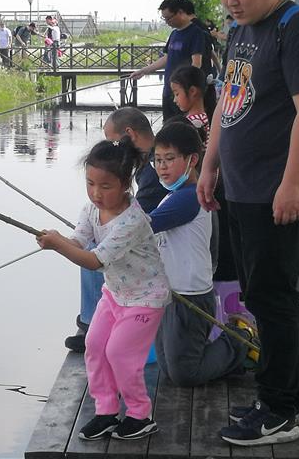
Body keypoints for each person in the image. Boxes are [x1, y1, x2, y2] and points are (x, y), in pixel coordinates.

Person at [197, 0, 299, 447]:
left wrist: (291, 183)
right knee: (262, 295)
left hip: (277, 188)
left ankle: (278, 411)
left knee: (271, 296)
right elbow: (227, 105)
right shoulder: (239, 32)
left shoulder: (298, 28)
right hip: (241, 186)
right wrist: (208, 167)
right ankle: (290, 399)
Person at [36, 137, 170, 441]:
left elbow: (95, 261)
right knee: (95, 346)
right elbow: (79, 243)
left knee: (119, 353)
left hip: (145, 299)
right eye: (90, 183)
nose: (96, 193)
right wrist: (56, 241)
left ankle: (139, 414)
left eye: (105, 186)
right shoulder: (91, 209)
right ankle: (106, 410)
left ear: (125, 184)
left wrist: (58, 246)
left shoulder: (131, 221)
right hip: (115, 294)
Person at [150, 121, 248, 386]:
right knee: (169, 371)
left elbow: (143, 227)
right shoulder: (170, 197)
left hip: (190, 295)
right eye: (157, 160)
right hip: (170, 294)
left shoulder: (189, 197)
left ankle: (240, 341)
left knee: (185, 375)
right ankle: (226, 351)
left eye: (169, 159)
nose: (162, 167)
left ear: (193, 160)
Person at [64, 108, 169, 354]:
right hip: (139, 246)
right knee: (91, 246)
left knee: (94, 253)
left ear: (128, 135)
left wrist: (61, 244)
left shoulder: (152, 169)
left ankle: (89, 322)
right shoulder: (144, 165)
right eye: (90, 184)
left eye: (113, 141)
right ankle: (92, 323)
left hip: (149, 261)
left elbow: (139, 218)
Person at [131, 0, 205, 121]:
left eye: (168, 18)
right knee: (168, 126)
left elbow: (196, 64)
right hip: (168, 90)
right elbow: (167, 58)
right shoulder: (174, 33)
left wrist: (185, 89)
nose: (167, 22)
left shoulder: (196, 33)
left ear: (180, 12)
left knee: (182, 129)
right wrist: (144, 71)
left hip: (182, 94)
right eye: (164, 18)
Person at [169, 64, 216, 145]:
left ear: (192, 91)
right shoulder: (206, 116)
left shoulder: (193, 122)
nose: (174, 100)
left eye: (177, 94)